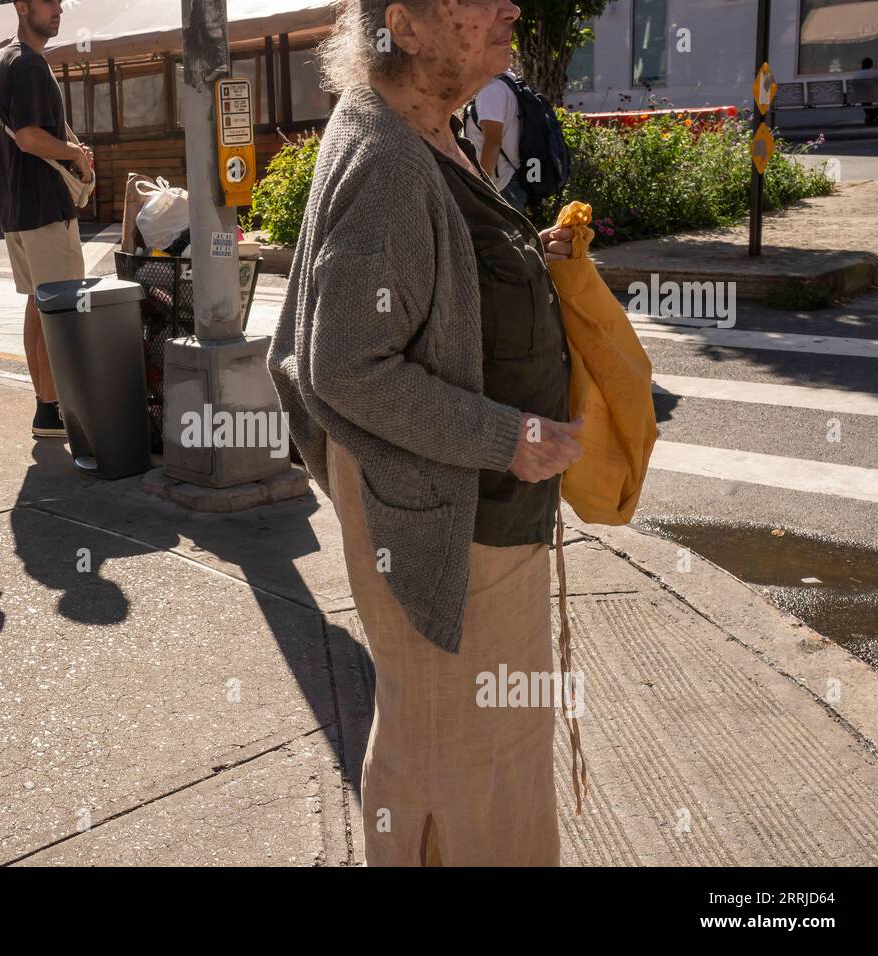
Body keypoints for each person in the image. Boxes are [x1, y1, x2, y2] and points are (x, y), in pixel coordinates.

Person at [268, 0, 584, 866]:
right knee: (461, 762)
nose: (510, 7)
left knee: (479, 756)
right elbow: (345, 367)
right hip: (452, 528)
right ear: (405, 25)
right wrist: (509, 437)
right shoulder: (389, 160)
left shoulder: (427, 131)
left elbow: (435, 288)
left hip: (472, 521)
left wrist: (527, 261)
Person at [0, 0, 94, 439]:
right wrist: (75, 154)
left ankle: (46, 408)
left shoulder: (3, 58)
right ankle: (56, 409)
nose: (58, 10)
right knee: (62, 311)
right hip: (43, 206)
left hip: (16, 208)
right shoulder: (28, 64)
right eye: (48, 2)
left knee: (39, 304)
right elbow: (31, 137)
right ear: (22, 5)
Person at [464, 68, 528, 212]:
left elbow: (492, 142)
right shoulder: (509, 81)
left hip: (502, 185)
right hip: (515, 179)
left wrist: (480, 186)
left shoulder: (490, 91)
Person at [854, 57, 878, 126]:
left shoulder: (857, 74)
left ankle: (871, 117)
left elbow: (855, 87)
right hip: (875, 95)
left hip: (861, 97)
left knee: (864, 98)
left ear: (862, 64)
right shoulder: (876, 72)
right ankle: (872, 117)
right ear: (871, 64)